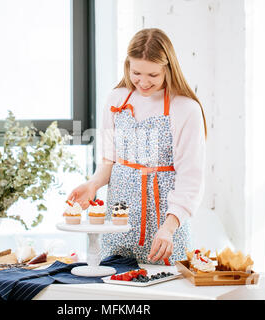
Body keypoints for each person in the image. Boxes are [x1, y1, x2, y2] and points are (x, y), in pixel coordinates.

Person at [67, 28, 207, 265]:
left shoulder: (185, 108)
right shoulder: (116, 99)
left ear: (168, 68)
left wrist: (169, 228)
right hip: (119, 223)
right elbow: (108, 160)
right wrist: (93, 185)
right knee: (114, 291)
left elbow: (191, 179)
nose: (143, 82)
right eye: (136, 72)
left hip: (165, 229)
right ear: (127, 66)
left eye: (153, 74)